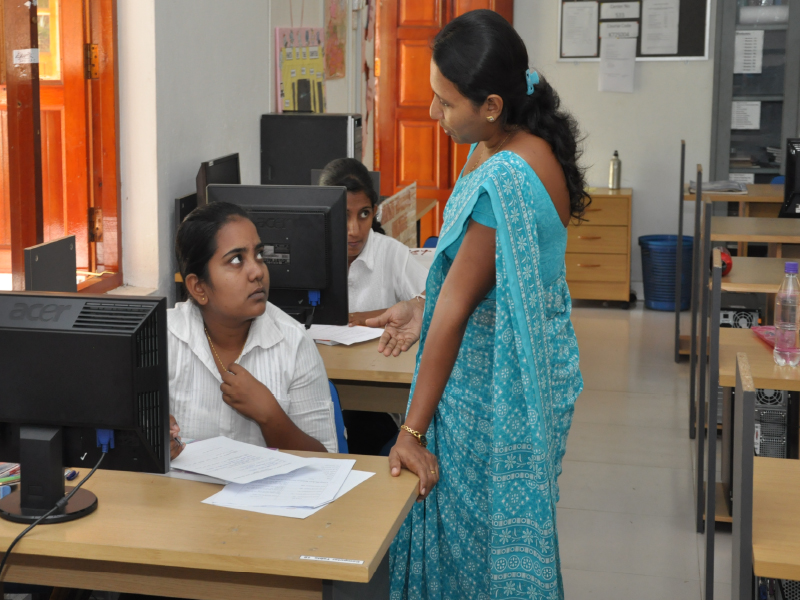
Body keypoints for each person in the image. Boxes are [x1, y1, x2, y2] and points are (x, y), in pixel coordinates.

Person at [365, 10, 588, 599]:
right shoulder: (504, 143)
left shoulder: (507, 177)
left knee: (478, 556)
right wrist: (420, 303)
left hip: (494, 393)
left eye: (445, 103)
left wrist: (410, 432)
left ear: (490, 104)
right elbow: (467, 280)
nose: (434, 115)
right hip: (493, 371)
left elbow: (458, 310)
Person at [168, 201, 338, 460]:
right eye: (237, 260)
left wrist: (270, 415)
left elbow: (326, 463)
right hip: (181, 498)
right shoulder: (164, 340)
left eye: (259, 255)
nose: (257, 271)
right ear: (198, 287)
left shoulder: (293, 343)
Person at [318, 158, 428, 327]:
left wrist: (365, 318)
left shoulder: (391, 252)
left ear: (374, 212)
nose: (354, 230)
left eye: (364, 214)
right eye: (342, 215)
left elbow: (437, 300)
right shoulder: (309, 255)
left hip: (379, 353)